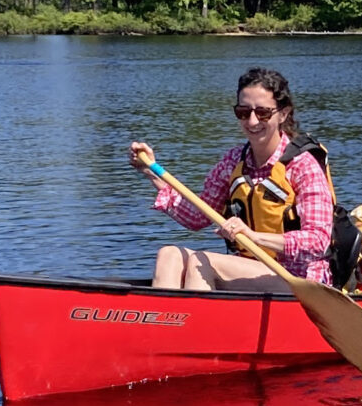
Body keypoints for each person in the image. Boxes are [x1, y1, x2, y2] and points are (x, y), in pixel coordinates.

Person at [130, 67, 334, 289]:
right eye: (243, 112)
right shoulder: (234, 160)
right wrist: (152, 173)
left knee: (201, 261)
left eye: (263, 113)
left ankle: (196, 321)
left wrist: (254, 237)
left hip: (300, 278)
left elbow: (318, 241)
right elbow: (198, 217)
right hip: (249, 269)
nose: (252, 121)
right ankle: (166, 321)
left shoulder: (303, 166)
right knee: (169, 255)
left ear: (283, 114)